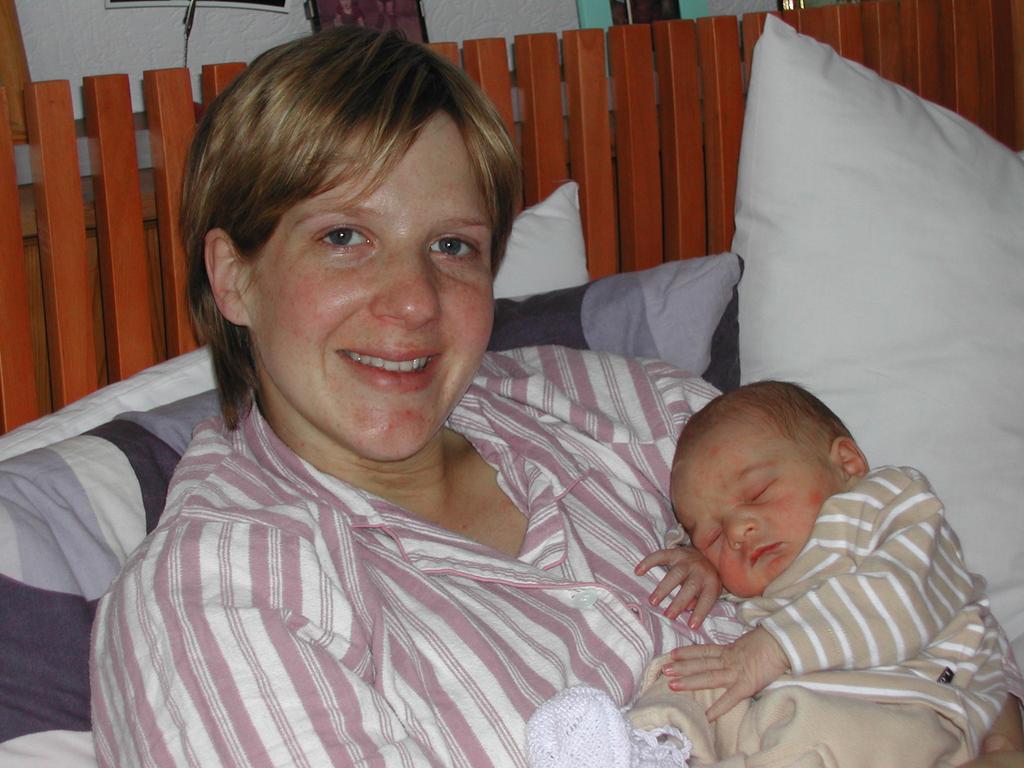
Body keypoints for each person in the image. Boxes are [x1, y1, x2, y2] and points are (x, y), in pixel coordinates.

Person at [85, 25, 1023, 768]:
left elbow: (914, 577)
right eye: (343, 236)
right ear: (234, 277)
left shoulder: (621, 410)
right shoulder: (217, 607)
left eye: (452, 245)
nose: (414, 301)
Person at [631, 381, 1022, 767]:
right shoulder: (752, 585)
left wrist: (776, 647)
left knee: (805, 729)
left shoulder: (888, 507)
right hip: (790, 710)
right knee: (688, 675)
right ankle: (641, 745)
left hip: (910, 709)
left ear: (847, 464)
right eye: (714, 535)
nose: (736, 531)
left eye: (758, 493)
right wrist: (699, 561)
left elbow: (901, 600)